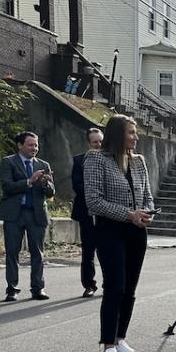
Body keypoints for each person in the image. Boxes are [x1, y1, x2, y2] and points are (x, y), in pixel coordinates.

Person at [83, 115, 155, 352]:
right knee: (115, 286)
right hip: (110, 229)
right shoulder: (96, 159)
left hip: (137, 231)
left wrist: (146, 212)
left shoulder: (139, 162)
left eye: (136, 133)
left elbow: (147, 194)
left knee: (130, 289)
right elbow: (94, 201)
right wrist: (128, 214)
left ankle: (120, 338)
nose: (136, 137)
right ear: (117, 134)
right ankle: (108, 347)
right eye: (131, 133)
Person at [0, 130, 55, 302]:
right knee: (12, 252)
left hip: (36, 213)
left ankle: (38, 288)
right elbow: (7, 187)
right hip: (15, 213)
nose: (34, 148)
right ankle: (12, 289)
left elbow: (51, 193)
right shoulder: (8, 162)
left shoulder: (43, 164)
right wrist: (29, 181)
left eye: (36, 145)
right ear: (20, 145)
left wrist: (45, 184)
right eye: (30, 145)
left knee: (38, 252)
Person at [71, 126, 103, 298]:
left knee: (108, 251)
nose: (98, 145)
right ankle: (89, 284)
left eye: (100, 141)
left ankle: (109, 283)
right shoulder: (79, 161)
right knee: (88, 251)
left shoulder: (111, 159)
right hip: (87, 212)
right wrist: (95, 193)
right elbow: (77, 185)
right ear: (88, 143)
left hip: (108, 214)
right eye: (94, 142)